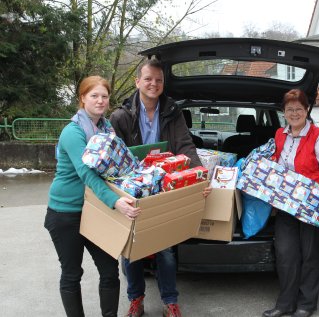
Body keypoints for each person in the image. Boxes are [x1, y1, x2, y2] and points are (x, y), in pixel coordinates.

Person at [110, 58, 210, 317]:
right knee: (131, 248)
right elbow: (112, 157)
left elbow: (185, 145)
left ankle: (169, 302)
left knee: (164, 247)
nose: (153, 84)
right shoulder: (121, 116)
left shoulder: (171, 111)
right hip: (132, 187)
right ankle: (136, 300)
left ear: (163, 83)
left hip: (165, 185)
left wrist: (200, 176)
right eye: (148, 79)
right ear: (137, 82)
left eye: (159, 80)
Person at [44, 76, 141, 317]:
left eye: (104, 96)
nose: (100, 100)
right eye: (94, 95)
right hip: (66, 212)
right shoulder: (73, 132)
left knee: (109, 270)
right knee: (72, 273)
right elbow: (86, 173)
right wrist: (115, 201)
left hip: (95, 209)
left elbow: (120, 164)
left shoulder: (107, 128)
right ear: (83, 98)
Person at [262, 89, 319, 317]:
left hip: (313, 206)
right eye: (290, 109)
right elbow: (275, 165)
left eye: (299, 109)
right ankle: (285, 304)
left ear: (307, 110)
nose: (294, 113)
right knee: (285, 254)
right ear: (283, 112)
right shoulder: (279, 134)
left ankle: (306, 304)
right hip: (286, 205)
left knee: (310, 255)